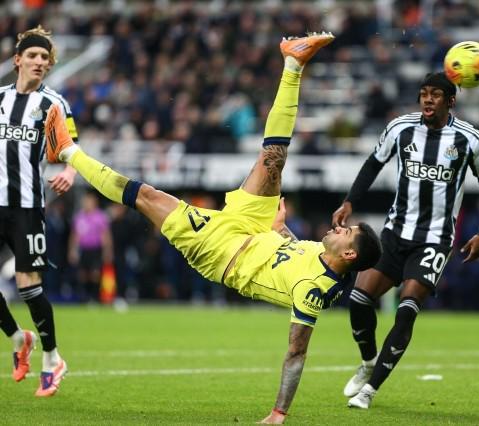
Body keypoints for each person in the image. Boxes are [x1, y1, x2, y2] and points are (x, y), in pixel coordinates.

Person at [43, 32, 381, 424]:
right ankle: (293, 64)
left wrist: (278, 412)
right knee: (274, 158)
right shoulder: (322, 254)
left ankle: (67, 151)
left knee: (147, 196)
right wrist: (281, 230)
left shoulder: (313, 292)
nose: (338, 229)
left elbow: (296, 352)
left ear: (349, 254)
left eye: (346, 233)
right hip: (255, 229)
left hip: (220, 252)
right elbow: (290, 257)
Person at [332, 72, 479, 409]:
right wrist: (350, 201)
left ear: (450, 101)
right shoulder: (400, 128)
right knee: (359, 299)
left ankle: (370, 390)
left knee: (407, 310)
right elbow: (373, 163)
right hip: (395, 233)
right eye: (423, 93)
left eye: (435, 94)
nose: (427, 99)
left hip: (435, 240)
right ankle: (368, 361)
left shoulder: (470, 138)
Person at [0, 25, 79, 397]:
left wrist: (69, 172)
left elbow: (71, 147)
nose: (38, 62)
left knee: (28, 285)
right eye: (32, 55)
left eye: (44, 57)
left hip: (27, 207)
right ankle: (19, 338)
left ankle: (52, 358)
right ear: (18, 60)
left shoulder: (54, 104)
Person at [68, 191, 113, 302]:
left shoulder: (100, 217)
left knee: (95, 274)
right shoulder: (79, 217)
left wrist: (107, 251)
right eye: (85, 201)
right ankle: (84, 297)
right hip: (84, 249)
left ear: (94, 203)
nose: (87, 204)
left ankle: (94, 297)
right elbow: (74, 235)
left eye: (89, 201)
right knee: (82, 274)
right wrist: (72, 250)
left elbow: (105, 235)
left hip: (95, 249)